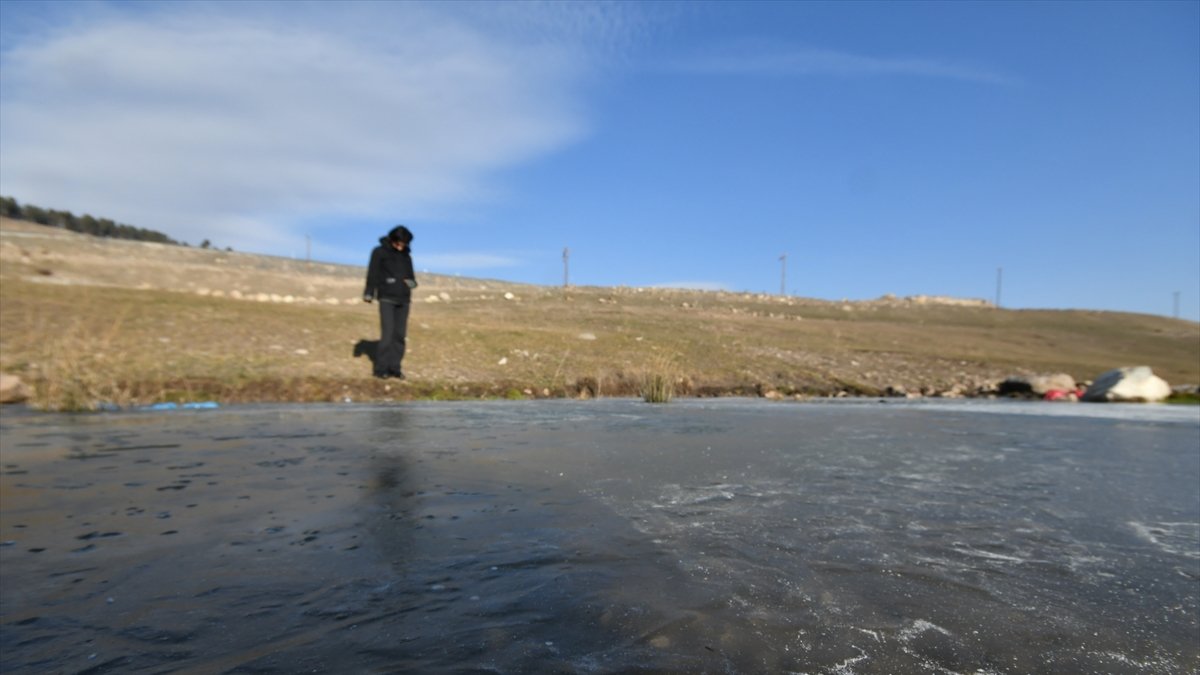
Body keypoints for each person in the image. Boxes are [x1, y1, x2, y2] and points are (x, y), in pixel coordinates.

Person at [363, 225, 417, 379]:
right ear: (393, 240)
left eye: (404, 244)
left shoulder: (407, 256)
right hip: (386, 298)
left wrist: (412, 284)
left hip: (404, 300)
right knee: (387, 335)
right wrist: (369, 293)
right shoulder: (379, 252)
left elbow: (411, 278)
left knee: (399, 336)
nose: (401, 246)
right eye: (399, 243)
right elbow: (372, 273)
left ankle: (395, 368)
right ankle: (381, 369)